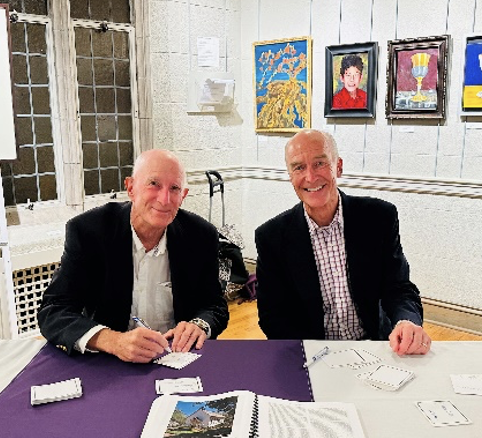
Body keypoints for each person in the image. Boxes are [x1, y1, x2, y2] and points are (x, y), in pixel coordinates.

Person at [38, 149, 229, 363]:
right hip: (109, 359)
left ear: (183, 196)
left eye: (174, 188)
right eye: (154, 184)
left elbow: (214, 305)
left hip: (177, 358)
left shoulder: (201, 235)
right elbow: (53, 311)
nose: (164, 199)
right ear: (130, 188)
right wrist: (112, 340)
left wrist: (199, 324)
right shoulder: (89, 231)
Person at [254, 129, 431, 355]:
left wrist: (406, 321)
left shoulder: (378, 218)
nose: (310, 177)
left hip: (375, 348)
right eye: (299, 167)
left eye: (319, 163)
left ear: (338, 166)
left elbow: (398, 288)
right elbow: (272, 315)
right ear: (290, 176)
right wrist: (311, 358)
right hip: (312, 355)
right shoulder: (271, 237)